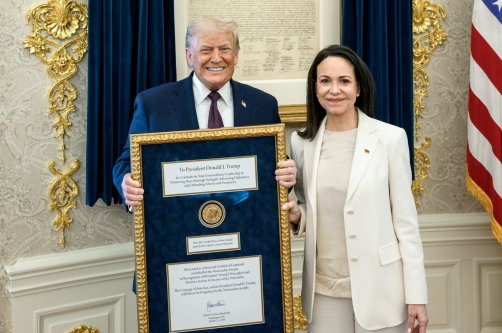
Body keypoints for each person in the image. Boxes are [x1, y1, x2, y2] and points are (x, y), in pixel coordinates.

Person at [281, 45, 428, 333]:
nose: (334, 90)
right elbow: (312, 209)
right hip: (323, 291)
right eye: (325, 81)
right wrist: (298, 216)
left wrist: (417, 296)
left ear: (358, 88)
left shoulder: (390, 139)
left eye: (344, 81)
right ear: (315, 88)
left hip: (381, 288)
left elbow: (406, 225)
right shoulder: (300, 142)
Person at [113, 17, 296, 204]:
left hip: (245, 223)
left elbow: (275, 167)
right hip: (178, 223)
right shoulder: (153, 105)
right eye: (206, 50)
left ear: (236, 55)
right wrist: (126, 183)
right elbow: (127, 163)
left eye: (225, 49)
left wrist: (287, 175)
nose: (216, 58)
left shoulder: (263, 105)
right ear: (189, 56)